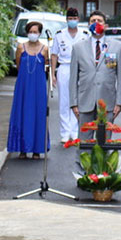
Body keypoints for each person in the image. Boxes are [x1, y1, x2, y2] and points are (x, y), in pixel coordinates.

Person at [69, 11, 121, 172]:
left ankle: (104, 173)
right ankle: (83, 173)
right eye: (93, 20)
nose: (96, 23)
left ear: (105, 25)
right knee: (84, 140)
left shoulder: (116, 46)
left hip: (107, 102)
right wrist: (74, 103)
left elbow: (120, 76)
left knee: (105, 139)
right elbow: (73, 78)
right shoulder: (78, 47)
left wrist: (120, 102)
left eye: (99, 20)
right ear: (89, 25)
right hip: (84, 100)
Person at [7, 21, 50, 159]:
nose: (33, 34)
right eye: (30, 32)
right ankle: (22, 149)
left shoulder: (44, 49)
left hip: (39, 86)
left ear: (39, 33)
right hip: (23, 85)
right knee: (22, 113)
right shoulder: (21, 47)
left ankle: (37, 149)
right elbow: (18, 65)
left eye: (35, 32)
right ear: (27, 33)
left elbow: (47, 68)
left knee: (38, 114)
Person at [51, 8, 89, 144]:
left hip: (80, 69)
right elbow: (54, 55)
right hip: (65, 68)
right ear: (66, 20)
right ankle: (64, 132)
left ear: (78, 19)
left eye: (75, 18)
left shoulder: (85, 35)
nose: (72, 21)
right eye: (70, 18)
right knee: (64, 101)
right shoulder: (59, 35)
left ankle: (74, 131)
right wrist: (53, 74)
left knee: (77, 101)